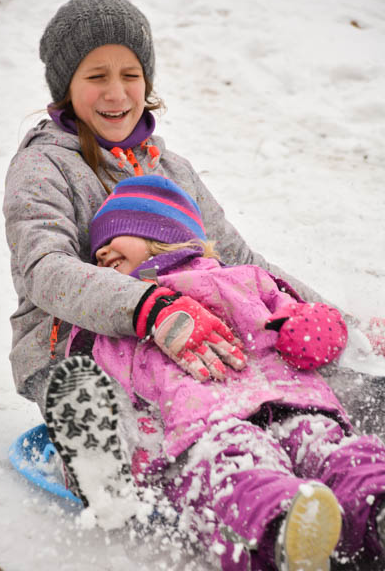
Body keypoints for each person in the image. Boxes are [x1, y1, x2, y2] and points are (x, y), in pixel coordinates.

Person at [2, 0, 384, 570]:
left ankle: (363, 482)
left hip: (199, 348)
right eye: (95, 75)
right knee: (128, 407)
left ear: (147, 80)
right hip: (78, 342)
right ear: (66, 87)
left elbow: (240, 260)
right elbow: (43, 269)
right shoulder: (45, 164)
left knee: (311, 382)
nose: (115, 92)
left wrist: (346, 327)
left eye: (130, 74)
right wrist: (149, 309)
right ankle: (101, 449)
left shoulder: (169, 168)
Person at [48, 174, 385, 571]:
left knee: (334, 449)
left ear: (161, 232)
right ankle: (285, 535)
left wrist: (316, 330)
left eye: (112, 239)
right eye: (97, 251)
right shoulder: (127, 318)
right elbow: (114, 387)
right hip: (207, 428)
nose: (100, 254)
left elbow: (296, 320)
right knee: (236, 469)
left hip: (295, 401)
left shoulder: (248, 278)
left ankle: (376, 511)